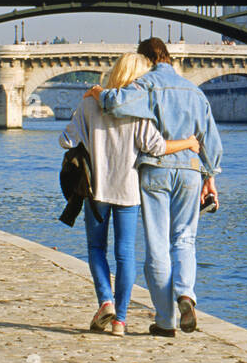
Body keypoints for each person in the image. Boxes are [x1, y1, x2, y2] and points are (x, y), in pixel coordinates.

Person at [85, 37, 223, 338]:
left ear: (145, 59)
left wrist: (98, 92)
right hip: (190, 170)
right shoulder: (194, 92)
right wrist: (210, 176)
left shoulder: (144, 85)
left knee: (157, 246)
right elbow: (210, 141)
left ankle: (165, 321)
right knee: (185, 239)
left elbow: (113, 103)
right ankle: (186, 294)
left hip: (155, 170)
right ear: (169, 58)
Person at [60, 54, 201, 336]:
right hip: (128, 190)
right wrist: (188, 142)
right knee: (125, 254)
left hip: (96, 189)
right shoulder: (139, 108)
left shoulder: (89, 103)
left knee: (96, 249)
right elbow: (155, 146)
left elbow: (65, 140)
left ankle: (106, 301)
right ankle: (120, 322)